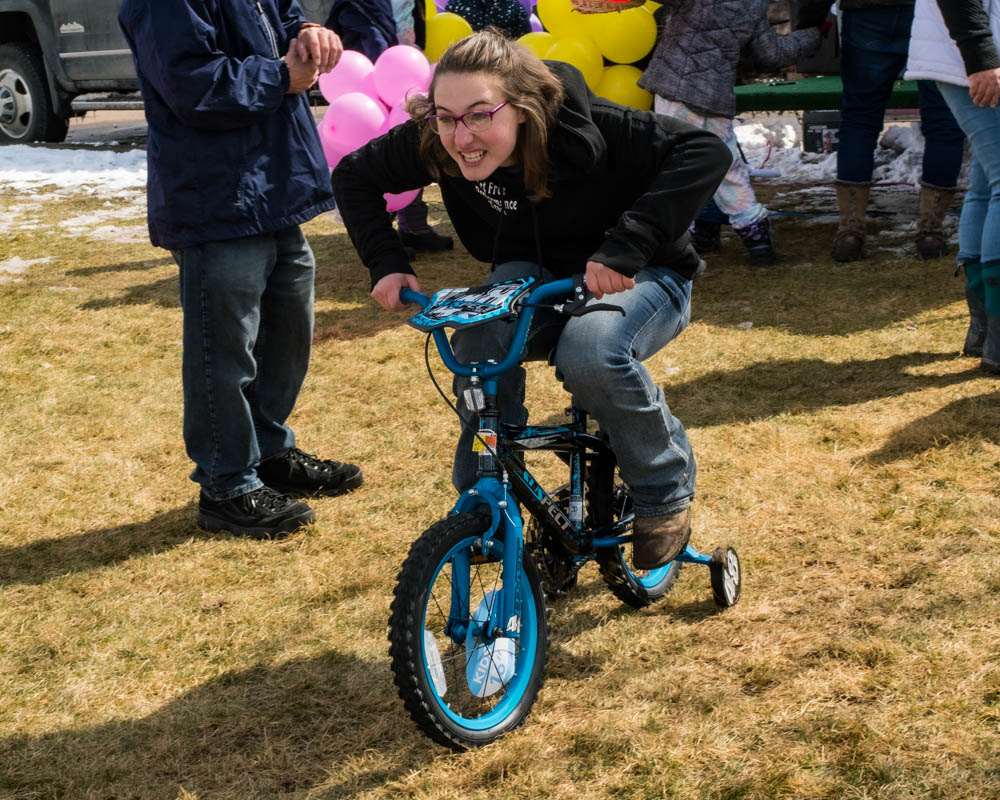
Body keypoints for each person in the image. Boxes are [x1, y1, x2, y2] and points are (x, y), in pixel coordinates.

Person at [332, 31, 730, 570]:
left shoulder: (589, 127)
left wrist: (627, 246)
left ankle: (663, 489)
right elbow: (353, 175)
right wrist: (385, 259)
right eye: (445, 117)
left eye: (479, 115)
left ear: (521, 109)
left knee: (590, 352)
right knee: (474, 345)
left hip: (645, 273)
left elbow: (704, 149)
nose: (460, 136)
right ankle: (487, 496)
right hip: (534, 273)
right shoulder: (438, 138)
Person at [118, 0, 363, 539]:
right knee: (223, 353)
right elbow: (190, 84)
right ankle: (227, 485)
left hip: (275, 182)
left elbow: (287, 18)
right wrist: (281, 75)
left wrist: (310, 34)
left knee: (287, 332)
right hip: (217, 196)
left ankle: (269, 454)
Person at [639, 0, 822, 266]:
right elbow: (773, 53)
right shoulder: (753, 5)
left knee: (673, 168)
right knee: (727, 168)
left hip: (675, 91)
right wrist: (814, 35)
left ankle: (678, 239)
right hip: (715, 96)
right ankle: (756, 236)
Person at [832, 0, 966, 262]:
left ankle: (849, 231)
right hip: (934, 10)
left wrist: (811, 18)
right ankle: (930, 232)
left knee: (859, 117)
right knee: (943, 120)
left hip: (868, 11)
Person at [907, 0, 1000, 374]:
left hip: (976, 58)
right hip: (976, 61)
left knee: (984, 180)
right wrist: (981, 59)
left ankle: (985, 329)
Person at [324, 0, 454, 252]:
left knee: (417, 152)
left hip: (407, 80)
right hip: (371, 88)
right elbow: (364, 31)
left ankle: (414, 228)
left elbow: (415, 28)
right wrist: (384, 71)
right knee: (377, 162)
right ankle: (385, 233)